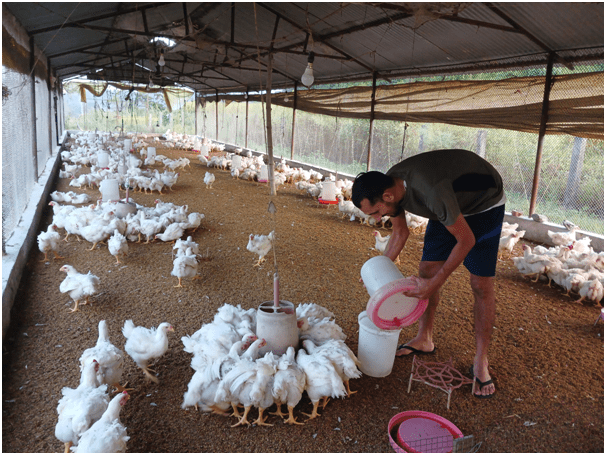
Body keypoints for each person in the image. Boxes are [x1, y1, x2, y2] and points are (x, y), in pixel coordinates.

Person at [352, 149, 505, 399]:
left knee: (480, 283)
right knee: (426, 270)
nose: (378, 219)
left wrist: (434, 284)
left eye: (377, 212)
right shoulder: (390, 186)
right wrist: (378, 269)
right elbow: (400, 233)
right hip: (448, 203)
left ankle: (481, 360)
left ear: (388, 196)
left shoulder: (431, 193)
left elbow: (465, 240)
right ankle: (425, 338)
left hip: (482, 204)